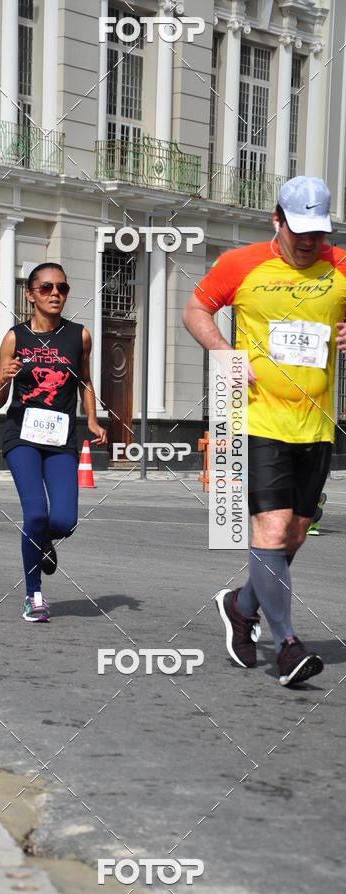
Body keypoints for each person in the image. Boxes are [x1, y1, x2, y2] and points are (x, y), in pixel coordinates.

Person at [183, 176, 346, 687]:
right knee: (271, 530)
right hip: (255, 418)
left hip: (315, 425)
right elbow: (195, 310)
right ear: (277, 220)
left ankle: (239, 605)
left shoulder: (341, 266)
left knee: (292, 536)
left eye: (317, 233)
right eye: (299, 230)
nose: (309, 242)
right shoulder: (240, 264)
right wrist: (224, 353)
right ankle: (288, 646)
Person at [0, 263, 107, 622]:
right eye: (46, 287)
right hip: (22, 436)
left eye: (62, 287)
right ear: (30, 294)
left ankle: (42, 540)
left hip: (61, 438)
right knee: (36, 513)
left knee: (65, 520)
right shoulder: (15, 338)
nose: (55, 293)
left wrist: (92, 418)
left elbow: (85, 381)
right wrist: (4, 379)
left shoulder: (79, 336)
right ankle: (34, 595)